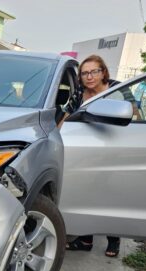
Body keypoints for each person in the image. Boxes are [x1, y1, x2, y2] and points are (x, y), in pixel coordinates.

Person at [61, 54, 132, 257]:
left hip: (115, 148)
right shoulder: (79, 93)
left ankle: (114, 239)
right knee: (86, 193)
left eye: (94, 71)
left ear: (103, 72)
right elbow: (67, 115)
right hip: (88, 149)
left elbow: (134, 113)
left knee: (111, 195)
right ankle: (85, 239)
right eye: (84, 73)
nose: (89, 77)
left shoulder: (118, 89)